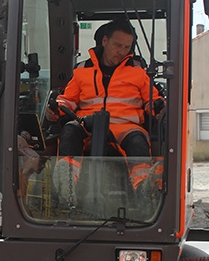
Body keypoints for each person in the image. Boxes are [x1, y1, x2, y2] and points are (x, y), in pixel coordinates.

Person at [55, 16, 162, 164]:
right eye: (117, 45)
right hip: (87, 125)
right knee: (69, 131)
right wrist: (55, 109)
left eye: (126, 47)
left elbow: (152, 100)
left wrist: (158, 107)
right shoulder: (82, 70)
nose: (122, 51)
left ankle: (143, 178)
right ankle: (66, 176)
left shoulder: (138, 71)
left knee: (138, 141)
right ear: (105, 41)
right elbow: (68, 100)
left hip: (126, 127)